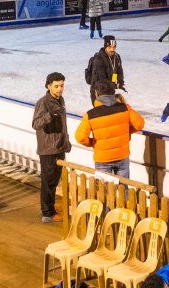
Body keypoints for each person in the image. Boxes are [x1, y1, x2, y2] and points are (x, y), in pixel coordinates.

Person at [75, 78, 144, 179]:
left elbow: (80, 137)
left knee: (104, 192)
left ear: (96, 93)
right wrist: (126, 132)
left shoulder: (90, 114)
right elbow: (139, 124)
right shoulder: (125, 108)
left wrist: (92, 143)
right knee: (123, 189)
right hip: (122, 155)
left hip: (102, 158)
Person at [32, 72, 71, 223]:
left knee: (54, 180)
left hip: (59, 147)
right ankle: (47, 213)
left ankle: (50, 206)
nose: (60, 89)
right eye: (56, 86)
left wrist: (65, 141)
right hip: (48, 149)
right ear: (48, 86)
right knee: (48, 181)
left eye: (62, 85)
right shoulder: (43, 102)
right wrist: (49, 116)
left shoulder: (60, 99)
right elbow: (35, 124)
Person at [85, 35, 125, 103]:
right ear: (105, 47)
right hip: (99, 92)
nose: (112, 49)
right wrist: (116, 85)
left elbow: (119, 71)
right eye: (110, 47)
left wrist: (120, 80)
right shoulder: (99, 60)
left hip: (110, 89)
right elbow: (102, 80)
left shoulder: (117, 57)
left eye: (114, 47)